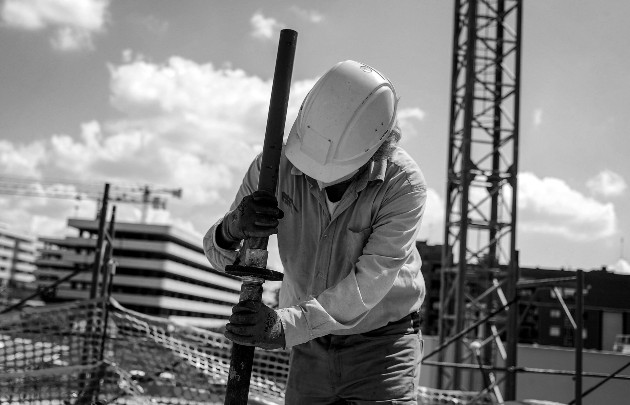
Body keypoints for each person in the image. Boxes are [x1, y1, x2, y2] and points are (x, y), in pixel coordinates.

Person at [203, 60, 427, 404]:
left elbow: (369, 282)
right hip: (309, 341)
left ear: (377, 149)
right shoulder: (273, 167)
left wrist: (283, 327)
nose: (319, 177)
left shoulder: (403, 185)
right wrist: (233, 227)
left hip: (382, 345)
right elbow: (219, 255)